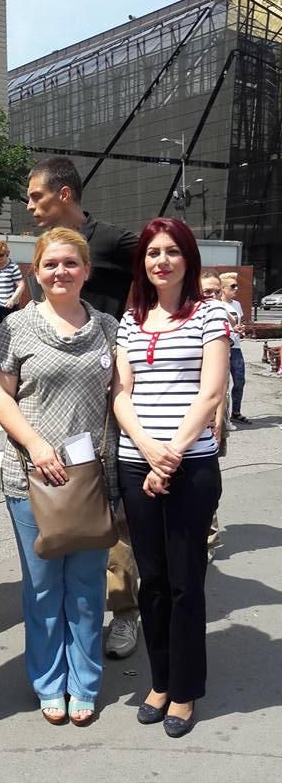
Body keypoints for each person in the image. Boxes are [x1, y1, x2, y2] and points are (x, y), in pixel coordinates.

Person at [0, 226, 119, 726]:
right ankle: (48, 681)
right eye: (50, 264)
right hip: (31, 476)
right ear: (36, 272)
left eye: (70, 263)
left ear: (86, 270)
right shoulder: (17, 327)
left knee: (87, 588)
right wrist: (36, 444)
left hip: (93, 480)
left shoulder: (107, 328)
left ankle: (84, 682)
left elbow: (122, 395)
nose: (60, 272)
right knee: (42, 587)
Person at [112, 218, 230, 738]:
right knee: (153, 581)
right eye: (152, 253)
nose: (161, 261)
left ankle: (184, 689)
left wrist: (170, 456)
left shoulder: (210, 315)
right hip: (136, 462)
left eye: (172, 251)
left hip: (190, 466)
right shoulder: (130, 319)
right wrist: (145, 447)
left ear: (188, 259)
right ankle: (159, 681)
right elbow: (120, 392)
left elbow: (211, 393)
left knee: (186, 583)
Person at [26, 155, 139, 659]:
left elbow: (169, 262)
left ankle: (125, 612)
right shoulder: (46, 250)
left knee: (112, 515)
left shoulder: (112, 241)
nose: (30, 206)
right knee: (65, 514)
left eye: (36, 196)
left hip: (108, 391)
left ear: (64, 194)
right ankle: (72, 623)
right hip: (58, 400)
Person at [201, 270, 230, 561]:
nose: (211, 296)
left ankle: (209, 537)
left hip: (214, 411)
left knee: (208, 478)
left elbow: (221, 381)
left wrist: (219, 417)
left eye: (215, 291)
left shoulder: (219, 319)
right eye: (206, 292)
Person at [220, 271, 250, 425]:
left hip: (236, 347)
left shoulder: (236, 304)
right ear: (223, 288)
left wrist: (241, 328)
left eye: (237, 285)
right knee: (222, 384)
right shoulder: (217, 305)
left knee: (240, 380)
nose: (236, 288)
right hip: (223, 348)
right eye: (232, 286)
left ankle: (236, 413)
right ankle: (220, 417)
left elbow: (238, 322)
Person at [0, 239, 25, 322]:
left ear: (7, 254)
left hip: (9, 306)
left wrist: (12, 300)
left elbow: (21, 286)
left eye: (1, 255)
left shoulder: (13, 267)